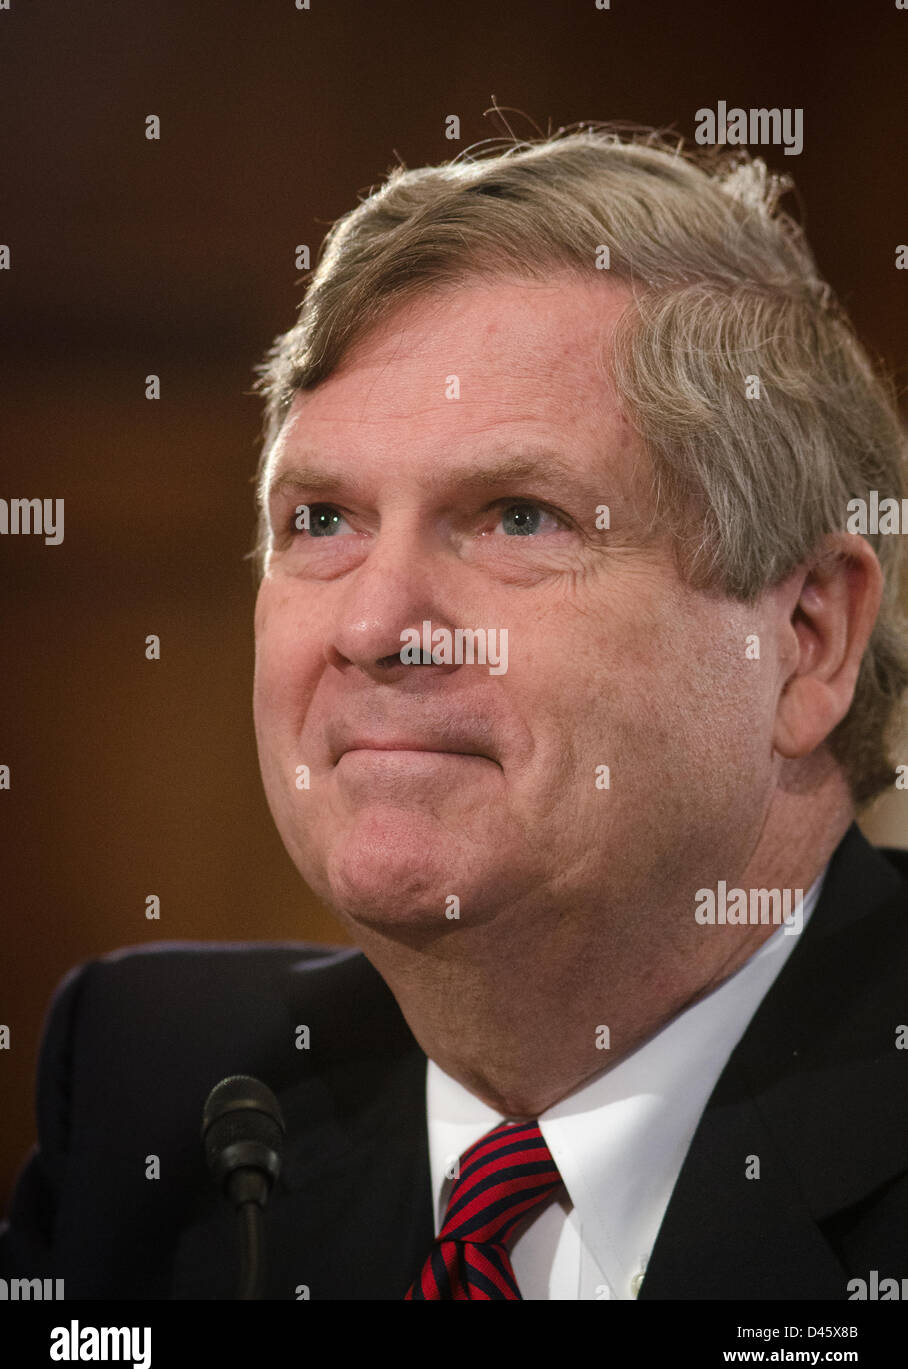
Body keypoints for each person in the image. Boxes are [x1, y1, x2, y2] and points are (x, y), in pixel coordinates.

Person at [2, 125, 907, 1301]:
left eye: (516, 517)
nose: (375, 626)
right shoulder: (164, 1096)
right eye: (321, 520)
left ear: (802, 641)